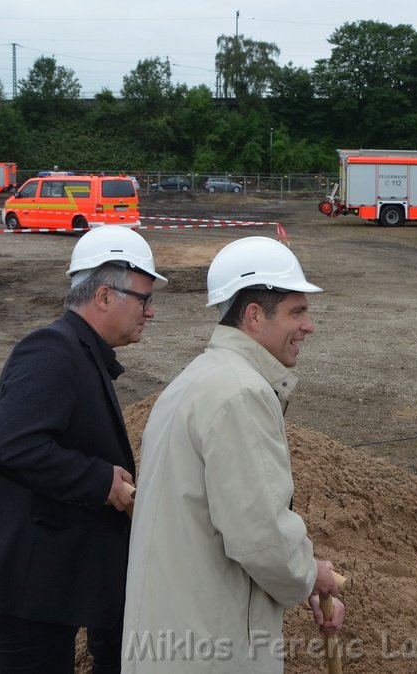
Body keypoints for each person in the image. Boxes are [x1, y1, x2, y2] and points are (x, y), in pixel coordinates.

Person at [122, 236, 344, 673]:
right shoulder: (240, 393)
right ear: (255, 316)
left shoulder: (197, 379)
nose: (309, 326)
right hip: (208, 646)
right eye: (297, 312)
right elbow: (260, 537)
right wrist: (309, 574)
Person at [0, 225, 167, 673]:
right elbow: (10, 443)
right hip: (24, 589)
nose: (151, 312)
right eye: (144, 299)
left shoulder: (81, 352)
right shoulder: (52, 349)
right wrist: (99, 480)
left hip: (49, 582)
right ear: (104, 296)